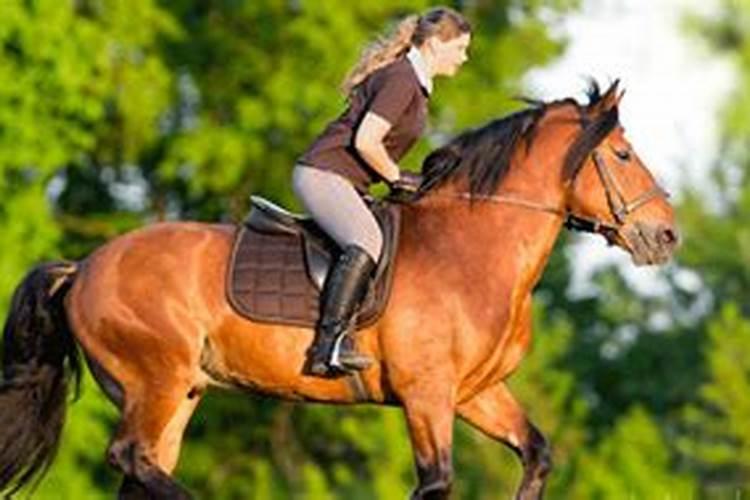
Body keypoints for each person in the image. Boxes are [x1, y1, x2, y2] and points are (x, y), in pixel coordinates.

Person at [293, 7, 472, 376]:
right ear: (437, 44)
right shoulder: (403, 79)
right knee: (367, 239)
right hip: (323, 173)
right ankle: (329, 346)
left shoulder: (415, 84)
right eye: (460, 48)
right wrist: (395, 178)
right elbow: (367, 141)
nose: (464, 57)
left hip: (344, 181)